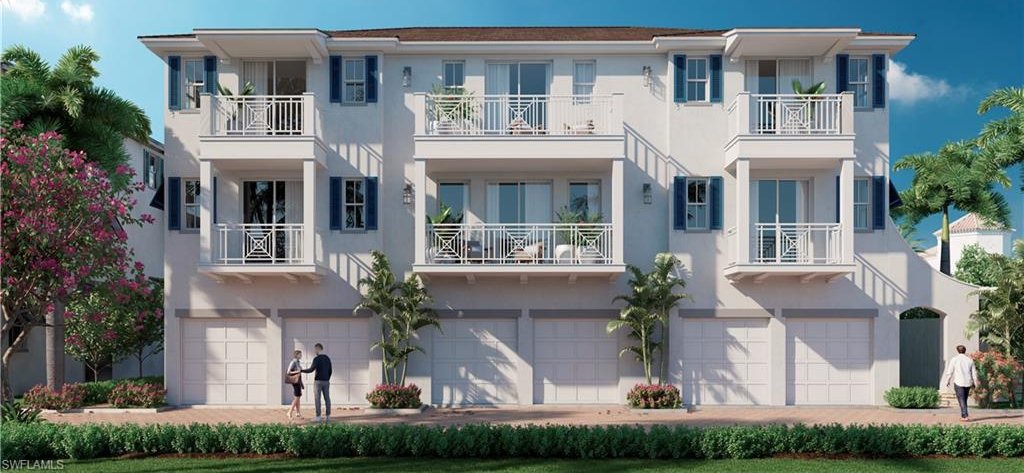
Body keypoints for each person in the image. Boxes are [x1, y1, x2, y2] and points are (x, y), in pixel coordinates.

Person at [942, 345, 980, 422]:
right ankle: (963, 415)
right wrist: (976, 383)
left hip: (958, 382)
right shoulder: (970, 360)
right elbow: (974, 373)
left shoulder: (954, 359)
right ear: (965, 351)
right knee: (964, 399)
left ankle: (965, 416)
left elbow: (950, 371)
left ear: (957, 351)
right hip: (968, 382)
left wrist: (947, 381)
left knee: (961, 399)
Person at [301, 343, 333, 423]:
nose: (315, 351)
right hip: (326, 381)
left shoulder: (316, 359)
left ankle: (318, 417)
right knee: (327, 398)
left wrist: (301, 370)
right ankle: (328, 417)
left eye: (315, 349)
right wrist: (327, 379)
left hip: (318, 381)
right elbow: (330, 370)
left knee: (317, 399)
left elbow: (311, 370)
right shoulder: (327, 358)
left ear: (318, 349)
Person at [285, 350, 304, 420]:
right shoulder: (293, 362)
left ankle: (298, 413)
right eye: (300, 354)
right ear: (297, 355)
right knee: (297, 397)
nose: (301, 356)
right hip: (295, 382)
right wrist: (298, 371)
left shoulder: (298, 362)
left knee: (298, 396)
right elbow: (288, 372)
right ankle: (289, 412)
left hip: (298, 381)